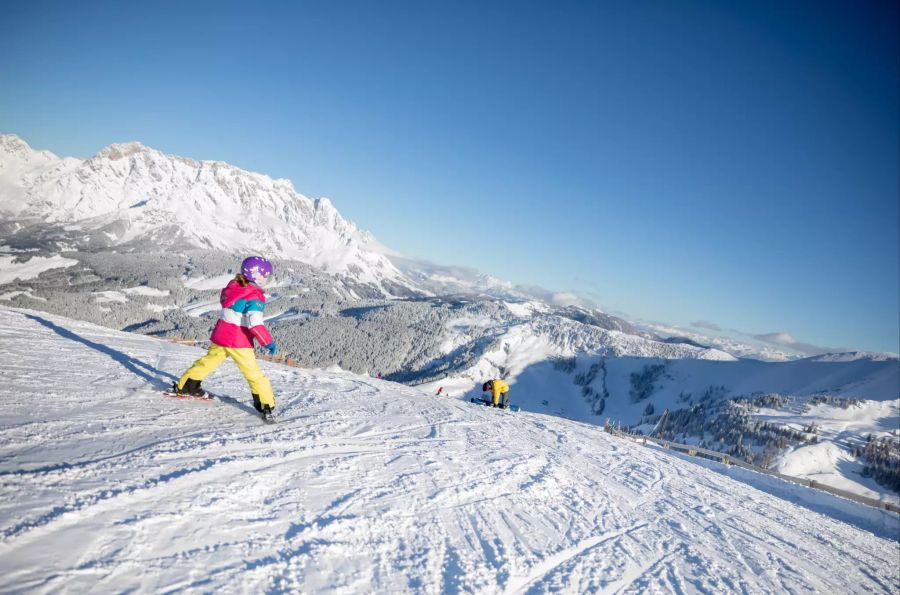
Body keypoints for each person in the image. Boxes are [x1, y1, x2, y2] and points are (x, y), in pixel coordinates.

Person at [173, 256, 278, 416]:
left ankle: (187, 385)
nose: (267, 278)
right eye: (265, 275)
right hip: (239, 342)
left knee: (208, 361)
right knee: (253, 374)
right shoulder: (254, 295)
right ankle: (266, 405)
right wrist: (267, 342)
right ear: (256, 275)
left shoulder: (233, 287)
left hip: (222, 335)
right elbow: (254, 323)